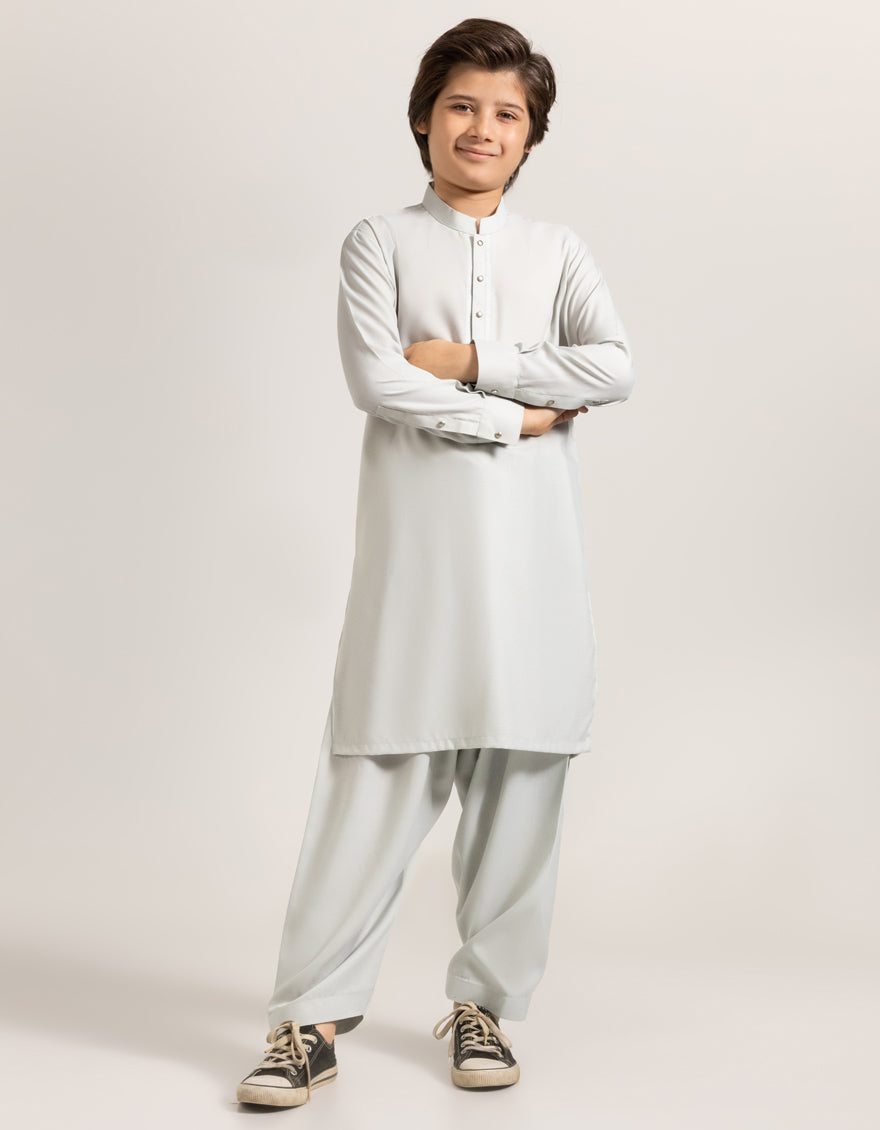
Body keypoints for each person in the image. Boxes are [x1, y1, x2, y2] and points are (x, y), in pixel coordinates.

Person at [235, 16, 634, 1108]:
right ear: (424, 118)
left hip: (534, 571)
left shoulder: (558, 252)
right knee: (372, 779)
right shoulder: (379, 242)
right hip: (418, 570)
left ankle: (482, 1007)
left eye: (507, 113)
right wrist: (516, 414)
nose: (482, 128)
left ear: (530, 135)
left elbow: (612, 365)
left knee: (523, 786)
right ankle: (306, 1019)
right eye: (463, 105)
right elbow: (376, 379)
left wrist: (465, 359)